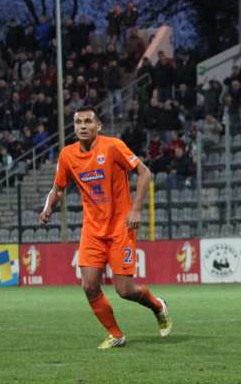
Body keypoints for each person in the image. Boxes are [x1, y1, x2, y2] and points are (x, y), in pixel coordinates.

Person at [38, 106, 171, 349]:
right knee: (89, 285)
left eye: (88, 121)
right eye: (78, 122)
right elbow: (57, 189)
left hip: (121, 227)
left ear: (98, 126)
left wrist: (137, 209)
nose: (83, 126)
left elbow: (144, 173)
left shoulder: (112, 146)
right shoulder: (67, 155)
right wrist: (48, 208)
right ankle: (116, 334)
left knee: (125, 290)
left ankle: (158, 306)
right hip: (92, 231)